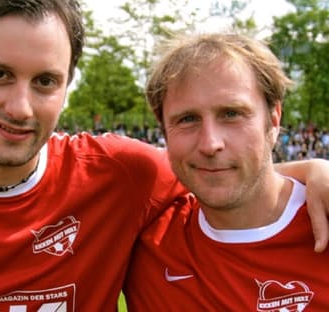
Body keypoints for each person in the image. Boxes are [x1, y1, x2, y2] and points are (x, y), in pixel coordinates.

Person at [0, 2, 329, 310]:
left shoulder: (119, 175)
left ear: (66, 86)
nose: (21, 107)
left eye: (45, 80)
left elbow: (213, 171)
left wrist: (314, 171)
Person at [123, 33, 329, 310]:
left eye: (231, 114)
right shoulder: (147, 240)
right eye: (187, 119)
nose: (210, 143)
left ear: (274, 120)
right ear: (165, 134)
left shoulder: (321, 221)